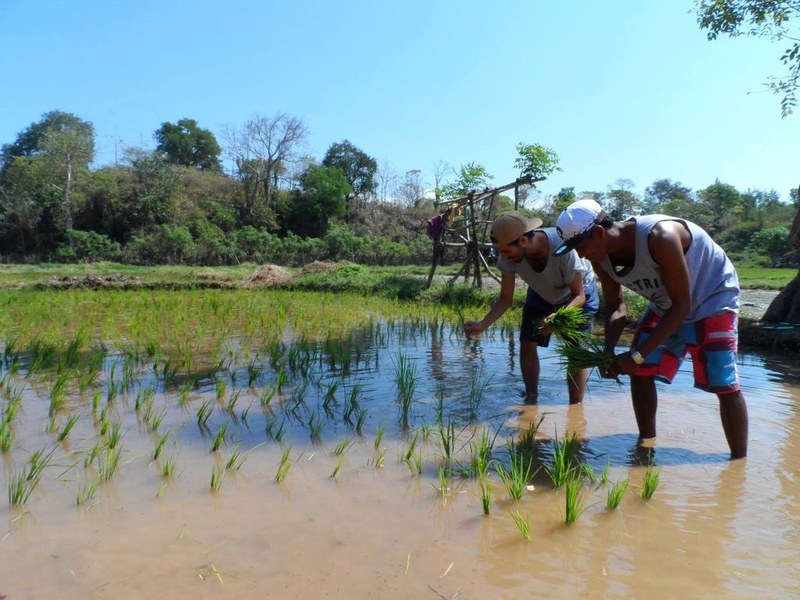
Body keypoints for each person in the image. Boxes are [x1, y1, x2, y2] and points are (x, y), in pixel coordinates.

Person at [553, 199, 749, 459]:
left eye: (579, 246)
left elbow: (682, 305)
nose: (580, 255)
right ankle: (645, 446)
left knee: (722, 381)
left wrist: (636, 355)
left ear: (599, 232)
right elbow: (616, 305)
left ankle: (738, 464)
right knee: (641, 372)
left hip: (711, 298)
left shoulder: (660, 236)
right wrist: (608, 352)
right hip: (666, 303)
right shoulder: (601, 257)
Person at [464, 211, 599, 404]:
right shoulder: (508, 257)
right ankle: (531, 398)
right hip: (541, 291)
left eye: (506, 251)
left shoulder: (561, 247)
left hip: (577, 293)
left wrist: (556, 319)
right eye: (500, 251)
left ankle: (575, 406)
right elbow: (505, 300)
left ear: (524, 241)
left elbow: (579, 296)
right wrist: (482, 324)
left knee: (576, 352)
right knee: (528, 342)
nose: (503, 257)